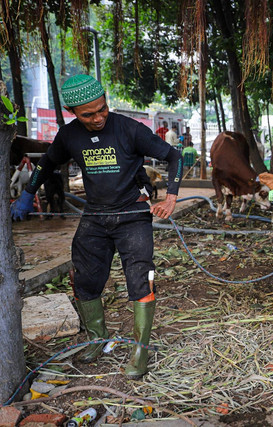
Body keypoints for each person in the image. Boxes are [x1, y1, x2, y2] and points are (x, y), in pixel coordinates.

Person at [10, 74, 184, 379]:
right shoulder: (69, 136)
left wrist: (170, 199)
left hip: (132, 216)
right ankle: (96, 338)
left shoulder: (129, 129)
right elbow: (45, 164)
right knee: (86, 281)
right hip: (94, 218)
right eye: (88, 114)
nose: (98, 117)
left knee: (140, 281)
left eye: (102, 109)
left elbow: (173, 155)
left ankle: (140, 350)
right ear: (72, 112)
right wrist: (26, 196)